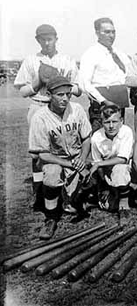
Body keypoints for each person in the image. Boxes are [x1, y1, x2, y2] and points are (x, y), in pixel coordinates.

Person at [14, 24, 81, 211]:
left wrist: (59, 80)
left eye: (50, 38)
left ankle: (66, 195)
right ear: (37, 40)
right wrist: (38, 80)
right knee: (38, 153)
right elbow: (22, 91)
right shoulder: (31, 60)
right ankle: (40, 192)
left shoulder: (66, 60)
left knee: (64, 149)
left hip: (61, 107)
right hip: (39, 104)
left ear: (56, 38)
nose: (46, 42)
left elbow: (78, 89)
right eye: (42, 39)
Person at [28, 76, 92, 239]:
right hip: (54, 159)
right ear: (49, 95)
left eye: (68, 94)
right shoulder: (40, 117)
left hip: (76, 156)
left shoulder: (76, 109)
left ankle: (72, 199)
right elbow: (42, 154)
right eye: (60, 94)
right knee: (52, 175)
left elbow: (86, 138)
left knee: (90, 182)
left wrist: (82, 159)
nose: (65, 98)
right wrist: (68, 164)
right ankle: (51, 218)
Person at [79, 17, 130, 132]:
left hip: (119, 106)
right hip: (100, 108)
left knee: (119, 141)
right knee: (101, 142)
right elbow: (84, 84)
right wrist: (104, 101)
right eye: (106, 32)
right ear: (97, 33)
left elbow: (128, 76)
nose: (111, 35)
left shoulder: (120, 54)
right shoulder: (90, 54)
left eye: (113, 32)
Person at [89, 104, 134, 214]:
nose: (111, 126)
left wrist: (99, 164)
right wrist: (104, 185)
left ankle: (124, 201)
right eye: (107, 122)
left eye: (114, 122)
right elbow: (96, 163)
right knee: (108, 207)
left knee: (120, 170)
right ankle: (110, 190)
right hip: (106, 170)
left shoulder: (126, 131)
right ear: (101, 122)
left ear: (121, 121)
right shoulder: (96, 137)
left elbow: (123, 159)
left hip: (124, 168)